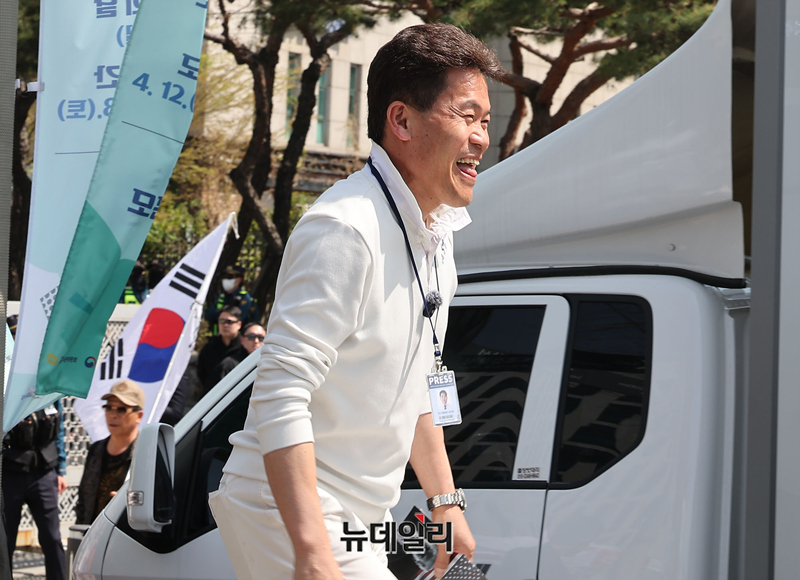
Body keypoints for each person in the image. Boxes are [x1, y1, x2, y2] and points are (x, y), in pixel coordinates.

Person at [209, 23, 501, 580]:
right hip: (287, 509)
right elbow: (280, 390)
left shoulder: (436, 238)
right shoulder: (344, 227)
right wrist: (311, 550)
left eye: (485, 121)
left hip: (363, 517)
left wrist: (446, 505)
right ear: (401, 121)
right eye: (467, 116)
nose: (481, 138)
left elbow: (419, 386)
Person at [2, 315, 67, 580]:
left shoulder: (46, 378)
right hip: (11, 473)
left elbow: (58, 428)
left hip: (44, 473)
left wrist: (61, 468)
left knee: (52, 538)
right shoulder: (5, 381)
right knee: (6, 540)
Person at [75, 380, 144, 525]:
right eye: (109, 408)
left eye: (121, 409)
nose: (113, 415)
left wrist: (129, 502)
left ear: (139, 416)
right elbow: (83, 500)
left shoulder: (145, 454)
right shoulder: (96, 450)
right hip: (93, 531)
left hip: (126, 533)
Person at [196, 305, 243, 395]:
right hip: (211, 396)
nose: (225, 325)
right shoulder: (209, 347)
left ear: (239, 325)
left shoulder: (244, 347)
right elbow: (202, 374)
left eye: (229, 322)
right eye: (222, 321)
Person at [204, 265, 259, 330]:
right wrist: (220, 311)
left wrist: (221, 313)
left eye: (229, 277)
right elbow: (208, 316)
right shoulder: (221, 297)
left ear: (239, 280)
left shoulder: (244, 297)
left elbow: (239, 318)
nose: (226, 280)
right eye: (224, 277)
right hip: (220, 335)